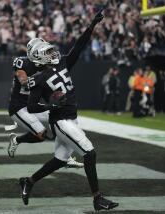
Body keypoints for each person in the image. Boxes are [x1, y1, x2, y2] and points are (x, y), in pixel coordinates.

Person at [22, 10, 119, 211]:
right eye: (47, 52)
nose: (52, 53)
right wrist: (51, 105)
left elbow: (80, 45)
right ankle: (97, 199)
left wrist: (92, 25)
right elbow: (31, 107)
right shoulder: (38, 79)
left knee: (59, 160)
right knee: (89, 153)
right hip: (61, 122)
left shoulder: (63, 62)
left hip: (71, 119)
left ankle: (29, 181)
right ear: (39, 58)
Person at [7, 38, 83, 168]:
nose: (48, 54)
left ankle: (65, 157)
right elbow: (23, 80)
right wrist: (38, 79)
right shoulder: (22, 63)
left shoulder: (47, 65)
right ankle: (16, 140)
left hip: (33, 105)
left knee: (59, 120)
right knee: (40, 134)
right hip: (19, 107)